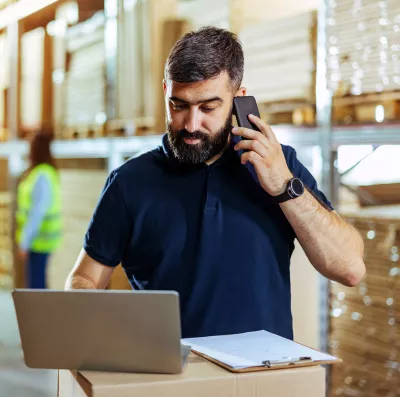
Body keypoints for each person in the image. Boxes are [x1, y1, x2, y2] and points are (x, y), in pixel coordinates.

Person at [65, 27, 365, 339]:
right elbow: (85, 278)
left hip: (260, 379)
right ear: (165, 90)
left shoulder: (280, 166)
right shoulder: (130, 182)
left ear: (239, 100)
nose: (191, 125)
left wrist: (282, 185)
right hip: (168, 380)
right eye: (179, 105)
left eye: (208, 107)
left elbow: (349, 269)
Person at [16, 132, 62, 289]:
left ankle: (39, 313)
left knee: (36, 286)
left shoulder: (41, 175)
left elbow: (37, 212)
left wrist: (25, 241)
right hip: (42, 239)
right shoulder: (44, 172)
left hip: (39, 240)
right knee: (38, 284)